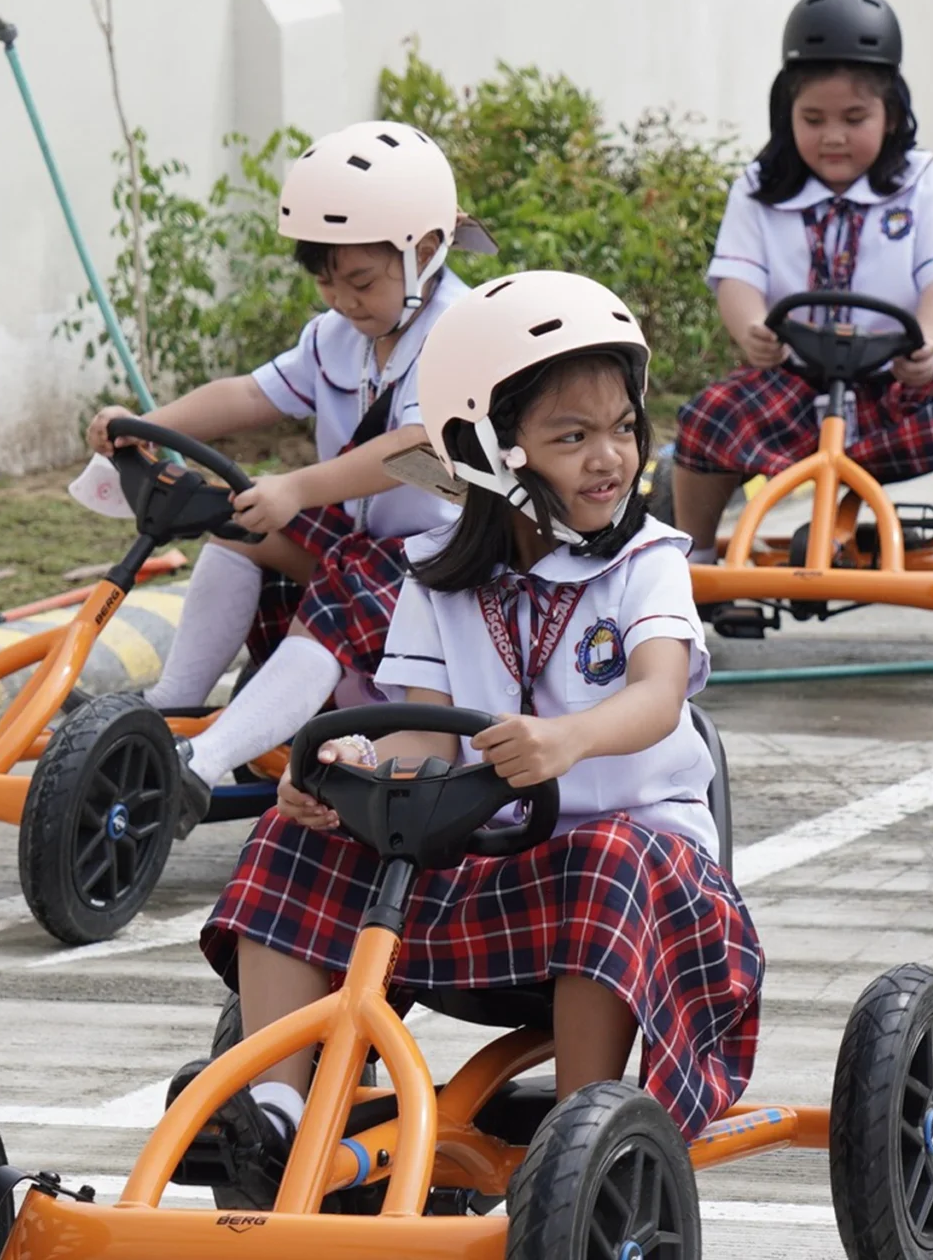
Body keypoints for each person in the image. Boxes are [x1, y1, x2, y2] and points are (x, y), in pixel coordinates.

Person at [195, 271, 759, 1196]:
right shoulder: (438, 578)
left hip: (643, 880)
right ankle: (276, 1112)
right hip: (483, 867)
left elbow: (660, 697)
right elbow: (420, 746)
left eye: (621, 428)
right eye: (571, 437)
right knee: (299, 833)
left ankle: (582, 1147)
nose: (609, 457)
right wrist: (346, 768)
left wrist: (567, 741)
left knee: (608, 854)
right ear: (491, 452)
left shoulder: (646, 561)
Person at [86, 122, 491, 833]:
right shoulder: (340, 337)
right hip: (362, 544)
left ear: (425, 252)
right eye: (326, 281)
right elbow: (250, 393)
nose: (341, 299)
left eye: (361, 280)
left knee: (334, 583)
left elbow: (417, 444)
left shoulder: (461, 331)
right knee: (233, 518)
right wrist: (146, 422)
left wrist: (298, 486)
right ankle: (169, 710)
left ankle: (199, 765)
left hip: (447, 562)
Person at [669, 0, 933, 591]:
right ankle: (690, 562)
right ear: (787, 116)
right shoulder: (759, 190)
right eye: (813, 120)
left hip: (901, 388)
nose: (833, 136)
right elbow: (737, 277)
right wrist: (752, 328)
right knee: (708, 417)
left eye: (854, 119)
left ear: (891, 117)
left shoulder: (921, 183)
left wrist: (930, 342)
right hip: (795, 387)